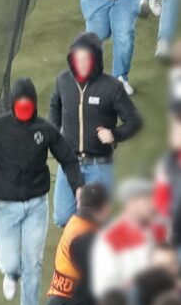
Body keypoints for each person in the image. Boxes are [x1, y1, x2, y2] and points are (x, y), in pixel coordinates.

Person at [0, 78, 83, 305]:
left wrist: (78, 187)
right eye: (20, 105)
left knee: (34, 263)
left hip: (36, 207)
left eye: (28, 105)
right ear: (12, 105)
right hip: (4, 208)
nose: (24, 110)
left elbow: (68, 159)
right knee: (9, 262)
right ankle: (11, 273)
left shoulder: (45, 130)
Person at [49, 32, 143, 226]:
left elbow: (135, 120)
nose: (81, 63)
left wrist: (114, 134)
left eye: (86, 58)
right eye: (77, 58)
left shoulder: (112, 87)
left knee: (99, 220)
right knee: (62, 217)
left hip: (99, 164)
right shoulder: (63, 81)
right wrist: (54, 132)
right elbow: (54, 105)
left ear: (96, 59)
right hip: (69, 162)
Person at [43, 181, 110, 305]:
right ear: (104, 208)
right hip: (68, 300)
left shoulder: (79, 221)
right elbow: (92, 280)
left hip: (66, 296)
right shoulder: (82, 235)